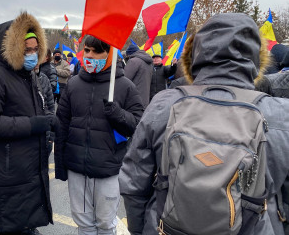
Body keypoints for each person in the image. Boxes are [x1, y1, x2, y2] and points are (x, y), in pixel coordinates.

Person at [119, 13, 289, 235]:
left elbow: (134, 182)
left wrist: (140, 229)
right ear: (256, 57)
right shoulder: (280, 113)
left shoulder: (165, 102)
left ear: (195, 54)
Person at [0, 12, 55, 235]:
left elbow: (39, 112)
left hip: (29, 173)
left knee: (27, 226)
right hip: (8, 177)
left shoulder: (30, 77)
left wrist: (50, 125)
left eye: (35, 49)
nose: (32, 54)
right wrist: (34, 124)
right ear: (9, 49)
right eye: (26, 49)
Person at [55, 35, 144, 235]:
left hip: (108, 170)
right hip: (78, 170)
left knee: (105, 225)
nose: (90, 55)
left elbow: (138, 126)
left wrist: (118, 114)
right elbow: (61, 125)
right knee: (84, 225)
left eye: (97, 51)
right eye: (87, 50)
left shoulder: (125, 86)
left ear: (110, 54)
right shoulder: (73, 84)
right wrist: (61, 165)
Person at [124, 43, 153, 107]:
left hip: (134, 98)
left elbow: (125, 79)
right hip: (145, 98)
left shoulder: (133, 61)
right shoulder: (149, 63)